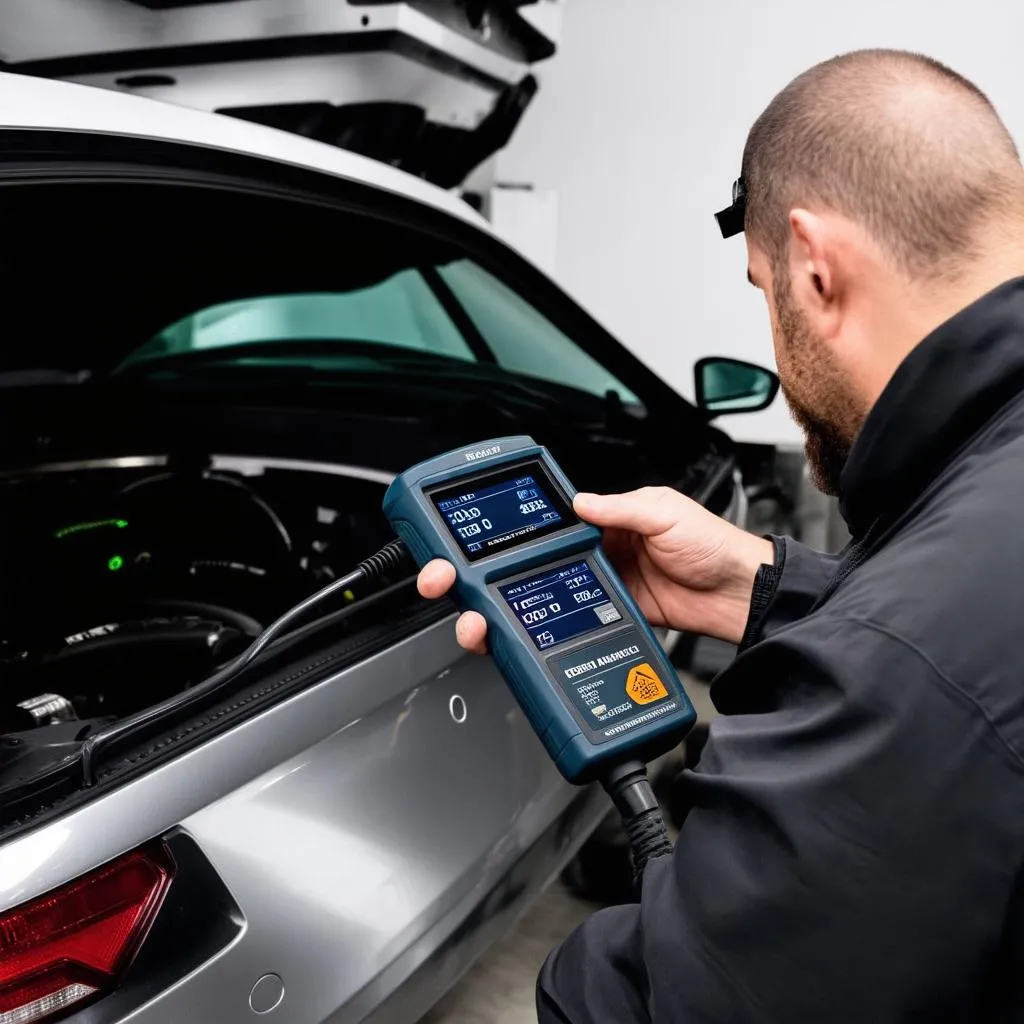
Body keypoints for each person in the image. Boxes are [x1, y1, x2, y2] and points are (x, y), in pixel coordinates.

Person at [419, 48, 1024, 1022]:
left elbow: (660, 1004)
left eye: (762, 289)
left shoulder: (897, 669)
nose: (775, 350)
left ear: (816, 270)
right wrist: (769, 587)